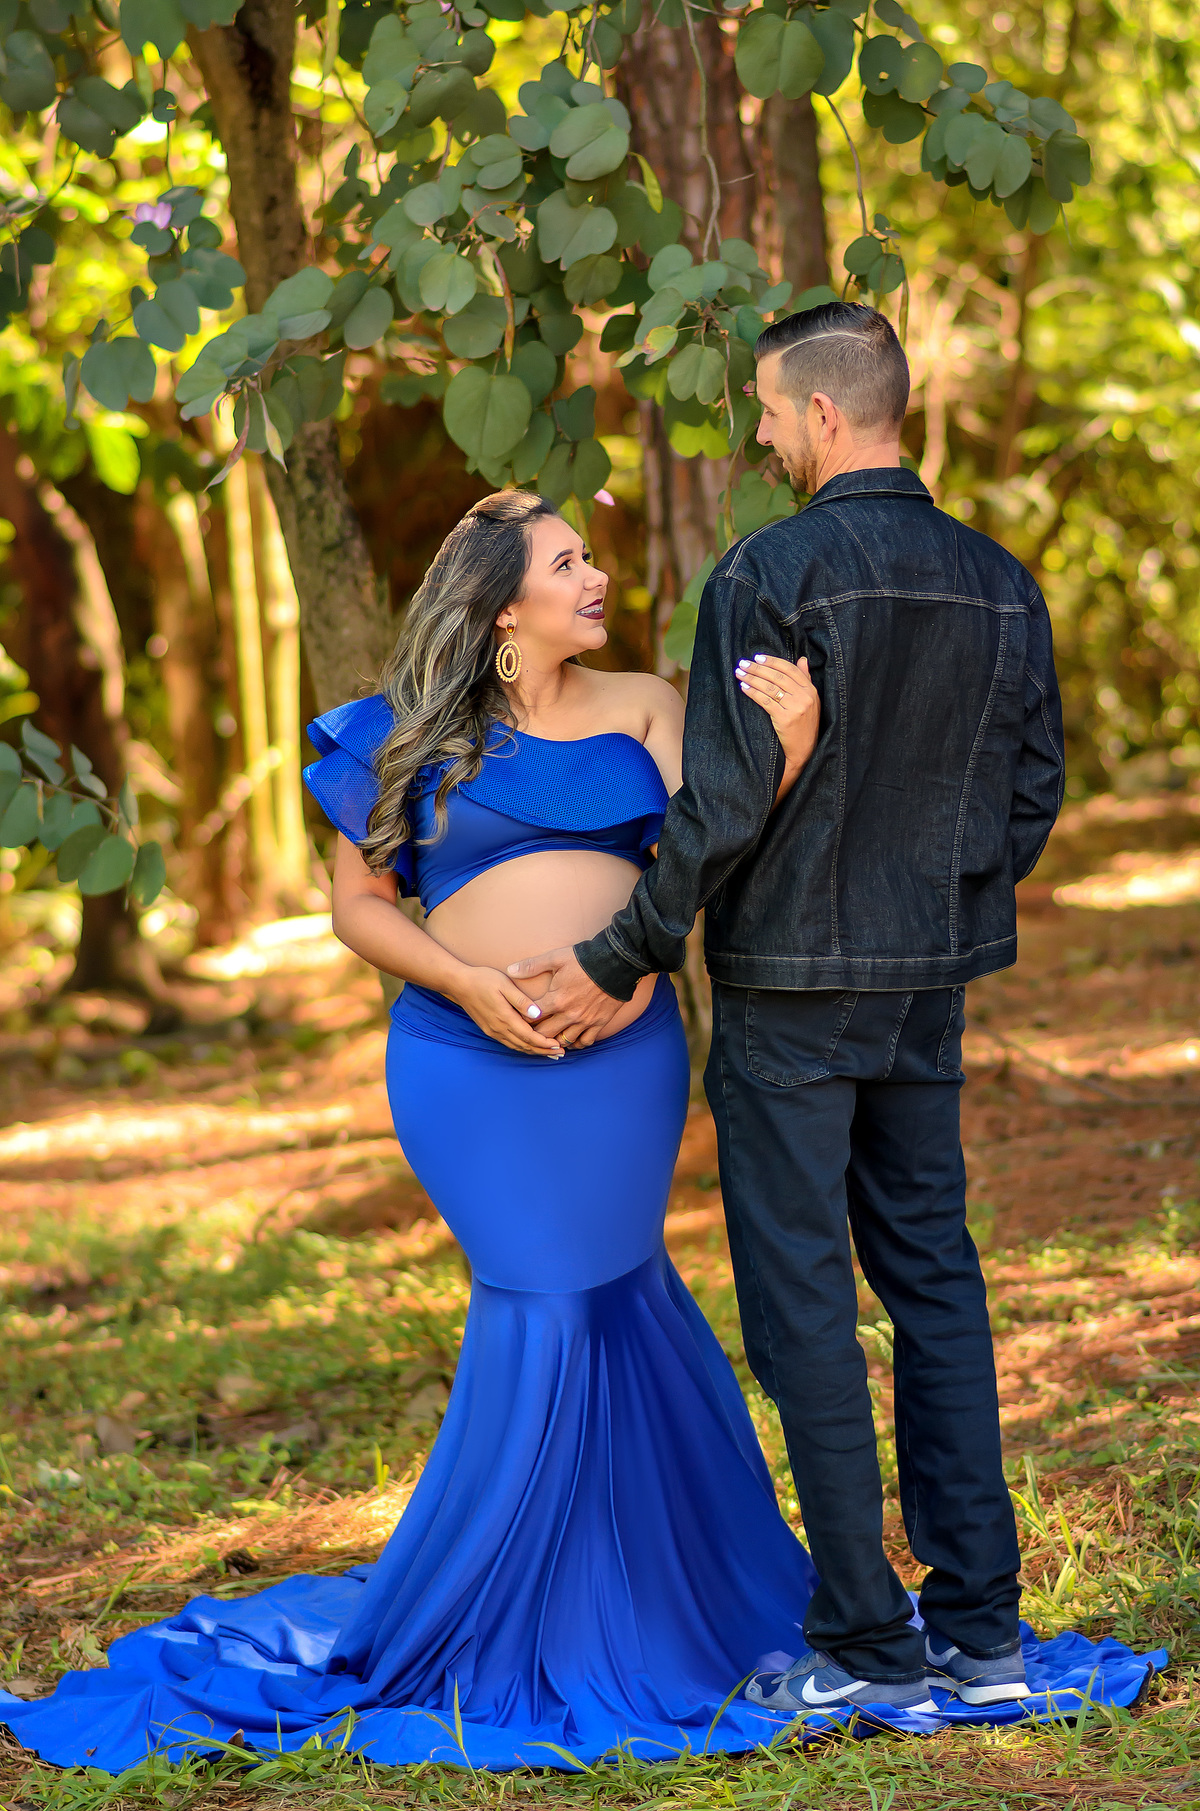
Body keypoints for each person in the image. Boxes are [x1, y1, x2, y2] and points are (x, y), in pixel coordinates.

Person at [0, 491, 832, 1771]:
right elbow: (360, 905)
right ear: (503, 607)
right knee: (546, 1300)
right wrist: (468, 983)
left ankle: (650, 1595)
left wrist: (788, 749)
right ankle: (515, 1611)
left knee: (610, 1293)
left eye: (591, 556)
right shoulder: (402, 732)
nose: (597, 577)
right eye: (567, 562)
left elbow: (714, 855)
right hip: (464, 1062)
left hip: (621, 1057)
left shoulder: (646, 704)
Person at [507, 302, 1068, 1716]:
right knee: (934, 1281)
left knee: (805, 1303)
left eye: (765, 408)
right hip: (925, 986)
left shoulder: (770, 571)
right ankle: (985, 1637)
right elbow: (1033, 791)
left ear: (821, 412)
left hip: (789, 994)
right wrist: (939, 901)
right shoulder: (1002, 582)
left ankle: (871, 1645)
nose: (759, 432)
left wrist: (626, 951)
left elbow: (722, 805)